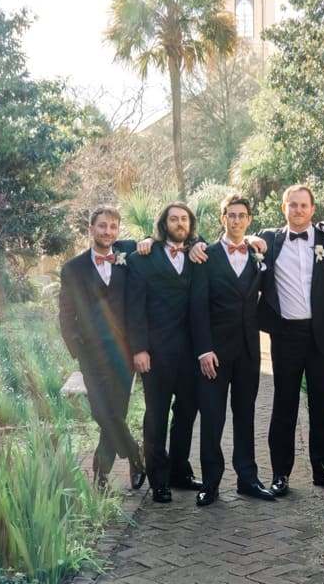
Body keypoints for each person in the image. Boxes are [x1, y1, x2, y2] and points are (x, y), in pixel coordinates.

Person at [257, 184, 324, 495]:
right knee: (283, 405)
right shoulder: (268, 240)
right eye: (293, 205)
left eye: (304, 206)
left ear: (313, 210)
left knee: (323, 405)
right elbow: (244, 244)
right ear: (283, 208)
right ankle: (280, 475)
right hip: (285, 334)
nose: (298, 211)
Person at [189, 193, 275, 505]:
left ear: (249, 220)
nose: (236, 220)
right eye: (231, 215)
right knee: (212, 418)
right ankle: (210, 483)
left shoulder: (257, 253)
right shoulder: (205, 256)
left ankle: (248, 479)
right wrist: (203, 350)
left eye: (242, 215)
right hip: (214, 354)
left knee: (246, 415)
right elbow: (196, 308)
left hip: (249, 351)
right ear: (222, 218)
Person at [58, 206, 146, 491]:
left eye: (112, 227)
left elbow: (160, 240)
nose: (107, 231)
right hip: (91, 354)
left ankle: (101, 473)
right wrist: (77, 348)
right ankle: (134, 452)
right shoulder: (73, 268)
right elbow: (65, 313)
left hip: (124, 353)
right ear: (91, 229)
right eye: (102, 226)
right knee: (101, 412)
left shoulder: (128, 256)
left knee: (115, 413)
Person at [124, 201, 204, 502]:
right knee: (155, 416)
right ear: (163, 224)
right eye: (174, 219)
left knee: (186, 413)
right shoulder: (144, 257)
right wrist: (139, 349)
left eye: (184, 219)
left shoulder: (199, 253)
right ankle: (158, 479)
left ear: (191, 224)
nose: (179, 223)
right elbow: (135, 309)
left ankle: (179, 471)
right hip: (155, 353)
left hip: (190, 353)